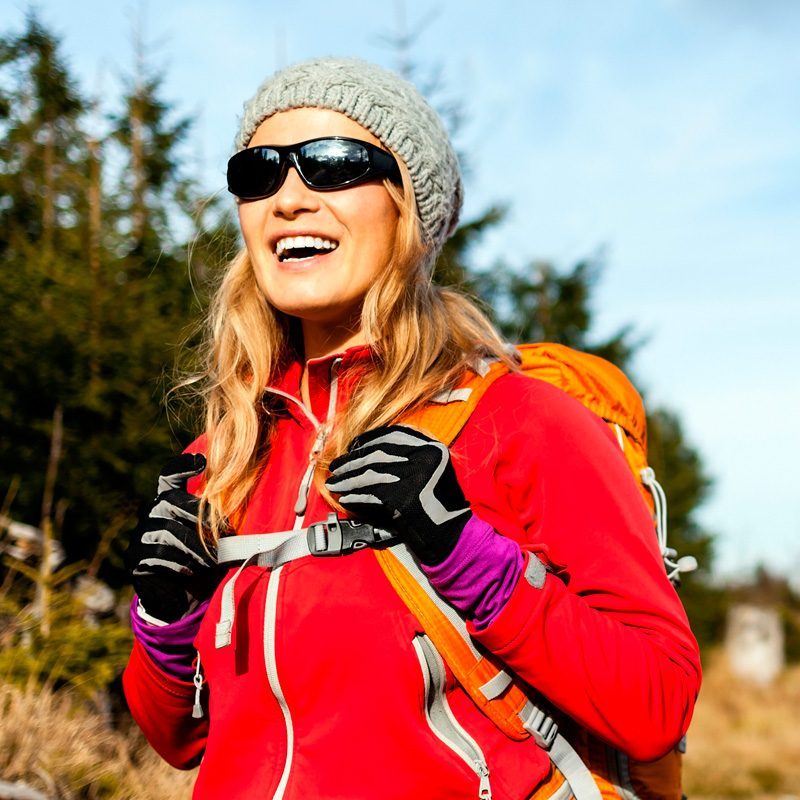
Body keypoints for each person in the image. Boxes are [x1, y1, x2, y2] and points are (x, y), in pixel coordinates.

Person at [123, 57, 701, 800]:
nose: (290, 197)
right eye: (258, 171)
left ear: (410, 210)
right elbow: (177, 742)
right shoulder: (226, 455)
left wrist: (468, 557)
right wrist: (165, 620)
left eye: (334, 165)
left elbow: (657, 703)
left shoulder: (521, 422)